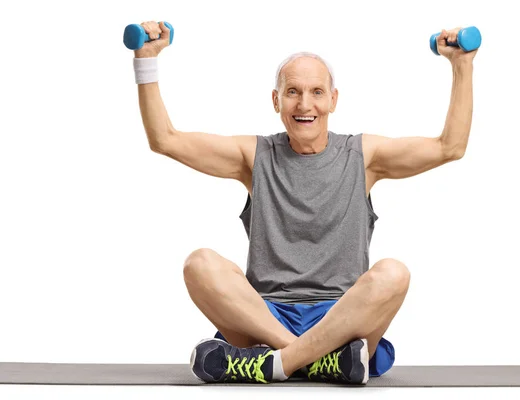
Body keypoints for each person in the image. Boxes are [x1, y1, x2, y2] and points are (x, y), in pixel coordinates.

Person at [132, 21, 477, 385]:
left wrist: (462, 66)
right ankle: (315, 361)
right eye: (293, 91)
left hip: (342, 319)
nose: (305, 104)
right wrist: (146, 60)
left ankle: (277, 363)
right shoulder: (254, 156)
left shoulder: (364, 156)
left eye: (316, 92)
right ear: (276, 100)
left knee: (394, 274)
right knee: (199, 263)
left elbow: (449, 147)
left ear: (333, 99)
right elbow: (165, 140)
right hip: (263, 318)